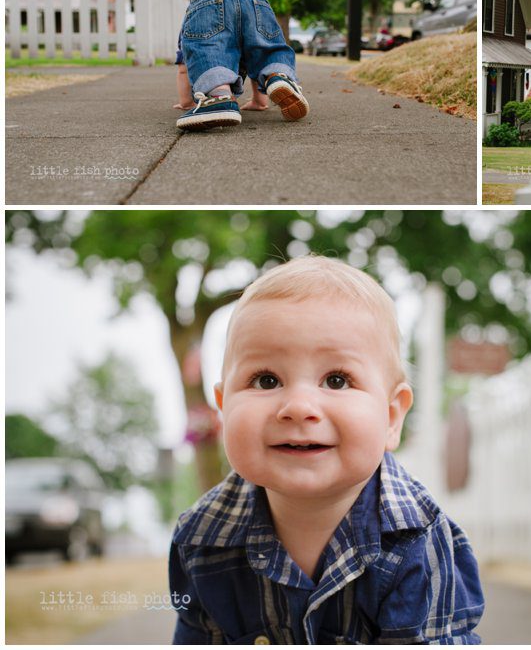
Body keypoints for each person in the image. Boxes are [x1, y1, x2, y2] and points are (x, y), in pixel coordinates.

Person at [169, 256, 484, 643]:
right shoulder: (202, 536)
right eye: (266, 380)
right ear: (224, 404)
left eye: (336, 380)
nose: (299, 406)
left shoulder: (417, 542)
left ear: (391, 417)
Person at [175, 0, 309, 132]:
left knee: (208, 51)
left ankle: (220, 95)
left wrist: (186, 102)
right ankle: (277, 76)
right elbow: (253, 61)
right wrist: (259, 102)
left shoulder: (196, 10)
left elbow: (183, 68)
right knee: (264, 50)